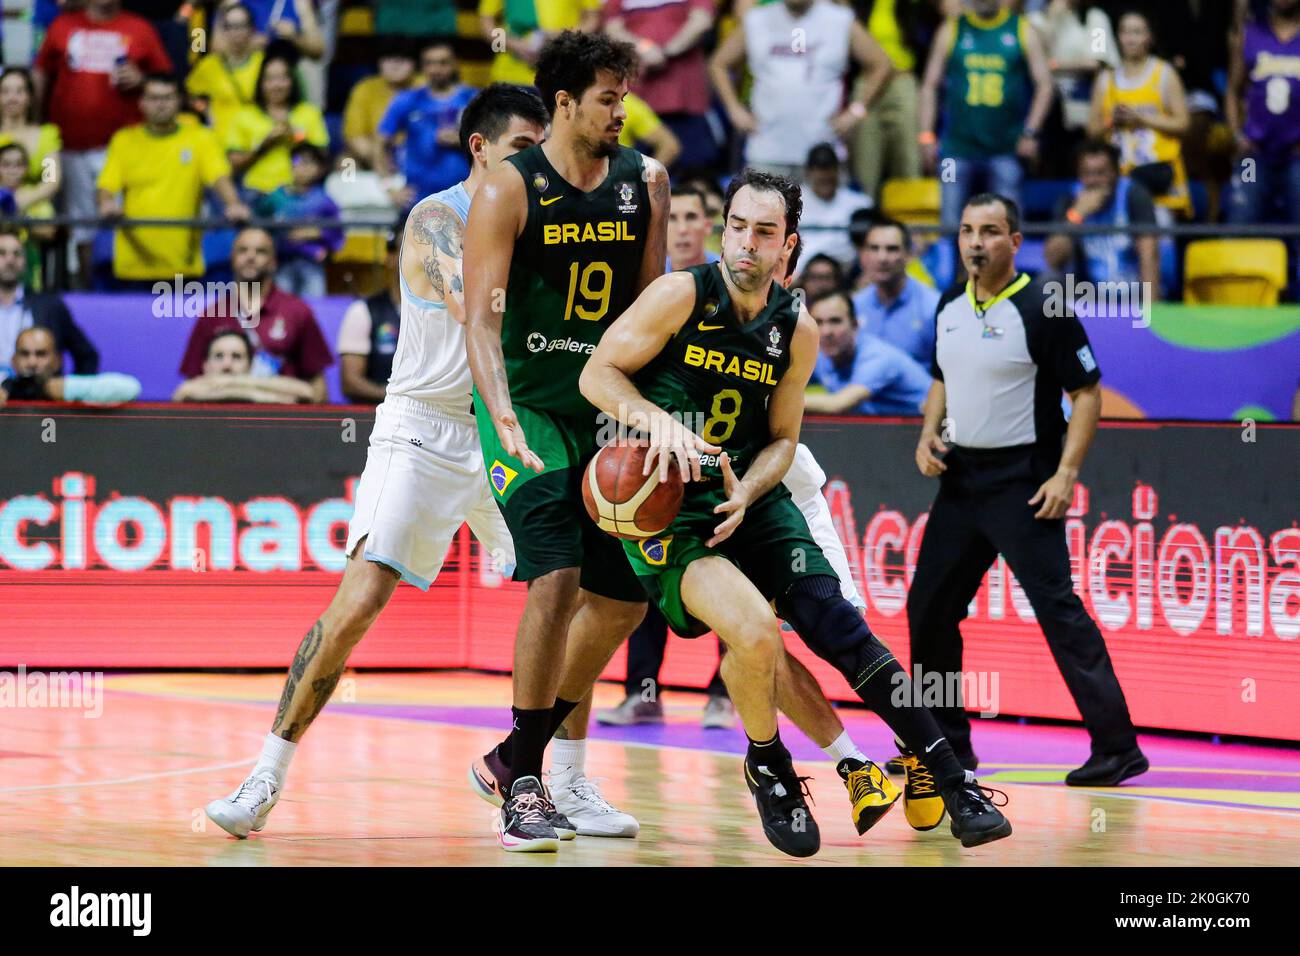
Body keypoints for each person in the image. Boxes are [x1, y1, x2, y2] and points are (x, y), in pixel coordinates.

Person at [580, 168, 1013, 854]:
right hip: (670, 512)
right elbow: (596, 373)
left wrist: (749, 490)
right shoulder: (678, 295)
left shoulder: (796, 331)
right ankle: (770, 765)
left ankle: (954, 781)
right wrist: (655, 421)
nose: (747, 244)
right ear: (725, 231)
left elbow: (783, 439)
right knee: (755, 634)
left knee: (842, 629)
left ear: (790, 245)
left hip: (749, 495)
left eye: (765, 232)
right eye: (738, 227)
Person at [202, 84, 564, 841]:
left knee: (574, 589)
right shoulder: (436, 217)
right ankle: (263, 778)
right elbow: (478, 311)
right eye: (524, 150)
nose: (536, 168)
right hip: (426, 429)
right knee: (360, 602)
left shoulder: (544, 222)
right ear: (481, 148)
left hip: (510, 431)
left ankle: (563, 780)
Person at [462, 32, 670, 852]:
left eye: (626, 97)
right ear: (563, 103)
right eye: (609, 99)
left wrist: (652, 415)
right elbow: (480, 315)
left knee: (621, 598)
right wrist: (499, 408)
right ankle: (524, 788)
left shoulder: (644, 182)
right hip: (529, 409)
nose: (623, 112)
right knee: (557, 577)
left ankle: (525, 756)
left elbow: (655, 309)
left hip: (606, 408)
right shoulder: (506, 190)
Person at [907, 192, 1148, 787]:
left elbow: (1087, 393)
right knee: (928, 610)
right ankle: (949, 749)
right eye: (966, 230)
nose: (975, 242)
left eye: (990, 231)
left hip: (1024, 481)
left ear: (1016, 242)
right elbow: (942, 376)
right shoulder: (948, 303)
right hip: (962, 481)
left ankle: (1117, 747)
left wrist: (1065, 473)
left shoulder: (1044, 305)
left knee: (1058, 610)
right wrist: (926, 433)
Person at [32, 0, 173, 286]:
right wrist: (37, 123)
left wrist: (141, 79)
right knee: (81, 227)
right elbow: (40, 74)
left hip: (127, 148)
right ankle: (87, 292)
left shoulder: (139, 27)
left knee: (122, 224)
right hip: (70, 146)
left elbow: (166, 80)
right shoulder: (62, 25)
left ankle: (126, 289)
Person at [710, 0, 893, 181]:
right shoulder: (757, 19)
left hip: (823, 150)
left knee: (828, 212)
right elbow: (718, 64)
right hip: (766, 150)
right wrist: (734, 110)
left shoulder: (840, 19)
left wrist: (856, 111)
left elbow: (881, 64)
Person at [97, 73, 251, 288]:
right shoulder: (123, 140)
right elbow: (107, 186)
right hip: (132, 266)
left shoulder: (200, 138)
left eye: (168, 98)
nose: (161, 105)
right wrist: (106, 203)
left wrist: (233, 204)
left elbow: (219, 177)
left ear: (179, 101)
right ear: (141, 103)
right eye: (153, 98)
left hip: (183, 268)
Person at [917, 0, 1053, 236]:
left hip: (1006, 149)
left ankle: (1008, 273)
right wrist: (927, 135)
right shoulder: (951, 29)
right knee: (949, 221)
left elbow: (1045, 85)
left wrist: (1031, 132)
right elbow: (929, 86)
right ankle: (952, 273)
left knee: (1008, 223)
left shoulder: (1021, 28)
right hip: (954, 151)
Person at [178, 227, 332, 401]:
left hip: (282, 418)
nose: (250, 257)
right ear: (232, 258)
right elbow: (190, 386)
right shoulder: (212, 314)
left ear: (274, 261)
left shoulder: (298, 311)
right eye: (243, 250)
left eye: (260, 251)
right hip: (221, 419)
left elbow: (318, 386)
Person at [1086, 10, 1192, 219]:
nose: (1130, 38)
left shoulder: (1164, 73)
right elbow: (1092, 132)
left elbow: (1184, 124)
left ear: (1149, 38)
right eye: (1125, 32)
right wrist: (1111, 121)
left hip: (1158, 178)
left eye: (1137, 32)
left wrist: (1140, 119)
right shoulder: (1105, 79)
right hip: (1117, 179)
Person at [1225, 0, 1300, 290]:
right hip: (1252, 155)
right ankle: (1235, 293)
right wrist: (1236, 135)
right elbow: (1233, 91)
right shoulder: (1249, 34)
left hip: (1296, 157)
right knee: (1241, 212)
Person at [602, 0, 717, 171]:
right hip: (638, 97)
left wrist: (667, 51)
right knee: (635, 173)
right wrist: (645, 48)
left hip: (686, 98)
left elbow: (702, 21)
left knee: (695, 173)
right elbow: (612, 29)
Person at [1044, 139, 1160, 295]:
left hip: (1132, 295)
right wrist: (1077, 214)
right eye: (1086, 173)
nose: (1093, 181)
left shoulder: (1133, 195)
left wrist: (1151, 312)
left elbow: (1149, 257)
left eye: (1100, 173)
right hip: (1088, 297)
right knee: (1046, 281)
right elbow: (1053, 259)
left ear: (1115, 173)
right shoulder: (1071, 199)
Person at [376, 39, 477, 209]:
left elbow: (493, 144)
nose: (436, 69)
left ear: (455, 64)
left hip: (466, 198)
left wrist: (462, 141)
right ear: (422, 67)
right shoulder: (407, 100)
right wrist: (389, 188)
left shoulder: (473, 99)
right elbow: (379, 145)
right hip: (420, 200)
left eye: (443, 63)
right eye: (429, 63)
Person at [804, 288, 930, 416]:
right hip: (882, 427)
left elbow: (838, 404)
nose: (826, 332)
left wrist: (785, 402)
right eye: (818, 322)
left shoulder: (878, 357)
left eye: (835, 321)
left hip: (927, 424)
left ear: (855, 325)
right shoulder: (820, 354)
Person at [848, 0, 926, 201]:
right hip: (867, 82)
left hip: (902, 81)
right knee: (866, 164)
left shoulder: (910, 5)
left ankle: (911, 224)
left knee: (909, 162)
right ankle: (865, 222)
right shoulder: (856, 6)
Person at [226, 49, 329, 197]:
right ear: (261, 83)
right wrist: (264, 145)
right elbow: (232, 164)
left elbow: (323, 157)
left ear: (292, 81)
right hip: (257, 192)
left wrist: (297, 137)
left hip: (301, 192)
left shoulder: (309, 113)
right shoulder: (245, 115)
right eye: (270, 79)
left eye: (283, 78)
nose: (277, 85)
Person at [0, 228, 99, 377]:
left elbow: (88, 357)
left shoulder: (50, 306)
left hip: (36, 396)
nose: (10, 260)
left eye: (17, 254)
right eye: (2, 253)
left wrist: (66, 391)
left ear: (25, 261)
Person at [253, 142, 343, 297]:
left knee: (314, 307)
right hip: (281, 262)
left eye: (310, 162)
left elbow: (337, 231)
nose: (303, 167)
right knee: (282, 306)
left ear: (320, 169)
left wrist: (315, 233)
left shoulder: (324, 200)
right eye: (297, 161)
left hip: (312, 263)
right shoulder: (275, 197)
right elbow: (258, 222)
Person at [851, 217, 940, 367]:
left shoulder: (933, 307)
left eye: (892, 249)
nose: (882, 258)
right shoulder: (855, 306)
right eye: (874, 248)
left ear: (908, 254)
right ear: (864, 255)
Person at [335, 229, 402, 405]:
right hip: (379, 416)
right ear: (390, 258)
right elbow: (350, 383)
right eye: (408, 250)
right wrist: (402, 401)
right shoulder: (362, 311)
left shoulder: (448, 313)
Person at [184, 2, 265, 147]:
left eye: (242, 26)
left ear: (251, 29)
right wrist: (206, 112)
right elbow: (189, 96)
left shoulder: (264, 63)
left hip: (256, 141)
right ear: (222, 30)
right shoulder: (208, 65)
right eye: (230, 27)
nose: (237, 32)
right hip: (219, 142)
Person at [0, 326, 139, 407]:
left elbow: (131, 388)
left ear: (57, 361)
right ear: (13, 361)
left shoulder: (70, 391)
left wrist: (69, 388)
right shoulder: (6, 388)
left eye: (41, 354)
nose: (32, 362)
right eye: (24, 354)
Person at [172, 328, 316, 403]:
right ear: (205, 365)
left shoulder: (260, 380)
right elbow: (182, 393)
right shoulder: (191, 388)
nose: (227, 365)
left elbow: (307, 392)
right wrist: (263, 397)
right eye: (218, 356)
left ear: (250, 364)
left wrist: (232, 381)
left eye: (236, 357)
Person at [478, 0, 601, 85]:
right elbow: (485, 25)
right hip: (510, 76)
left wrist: (562, 37)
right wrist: (512, 44)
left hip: (564, 74)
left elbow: (594, 20)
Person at [0, 67, 63, 226]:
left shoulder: (46, 135)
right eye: (5, 91)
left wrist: (20, 201)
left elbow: (51, 179)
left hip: (34, 213)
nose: (11, 98)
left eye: (19, 91)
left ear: (29, 97)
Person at [342, 40, 417, 170]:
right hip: (373, 156)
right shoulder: (364, 88)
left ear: (415, 64)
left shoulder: (424, 87)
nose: (395, 65)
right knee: (345, 163)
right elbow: (355, 137)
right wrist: (380, 160)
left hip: (418, 158)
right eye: (389, 58)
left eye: (403, 59)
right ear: (379, 62)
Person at [798, 142, 872, 272]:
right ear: (808, 172)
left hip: (847, 272)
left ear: (839, 171)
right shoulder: (792, 202)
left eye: (830, 169)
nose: (825, 175)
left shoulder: (861, 204)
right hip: (802, 274)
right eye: (819, 169)